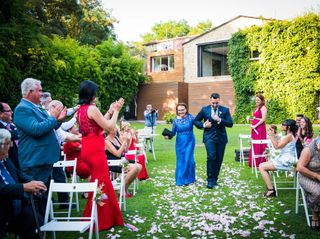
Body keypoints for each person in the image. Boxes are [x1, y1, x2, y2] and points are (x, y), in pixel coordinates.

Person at [13, 78, 66, 215]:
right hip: (34, 161)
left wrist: (57, 120)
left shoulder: (36, 108)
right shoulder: (22, 109)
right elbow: (36, 130)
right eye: (40, 90)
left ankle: (43, 225)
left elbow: (48, 127)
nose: (42, 94)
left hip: (43, 160)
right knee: (35, 197)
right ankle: (34, 227)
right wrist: (53, 117)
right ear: (30, 92)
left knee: (43, 196)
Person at [77, 80, 124, 231]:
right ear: (91, 94)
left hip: (87, 149)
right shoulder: (92, 108)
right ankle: (101, 220)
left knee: (98, 181)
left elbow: (97, 125)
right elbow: (109, 127)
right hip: (96, 150)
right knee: (102, 182)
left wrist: (110, 111)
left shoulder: (81, 109)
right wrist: (117, 110)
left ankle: (102, 215)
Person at [0, 128, 47, 239]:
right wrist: (24, 187)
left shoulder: (5, 159)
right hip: (2, 210)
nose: (11, 146)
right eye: (8, 143)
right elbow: (2, 189)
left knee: (35, 220)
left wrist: (32, 182)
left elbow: (18, 174)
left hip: (15, 208)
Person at [194, 93, 233, 188]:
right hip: (209, 137)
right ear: (210, 101)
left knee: (219, 159)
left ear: (219, 100)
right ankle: (210, 179)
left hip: (221, 138)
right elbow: (196, 121)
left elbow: (230, 123)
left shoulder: (225, 110)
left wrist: (220, 119)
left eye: (216, 103)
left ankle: (215, 178)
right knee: (211, 157)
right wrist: (203, 125)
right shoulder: (204, 109)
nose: (215, 105)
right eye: (213, 103)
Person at [259, 119, 298, 197]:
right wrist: (273, 134)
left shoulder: (289, 136)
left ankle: (271, 190)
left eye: (283, 124)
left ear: (289, 127)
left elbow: (276, 146)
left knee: (261, 166)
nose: (281, 125)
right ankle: (270, 187)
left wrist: (270, 135)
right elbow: (279, 141)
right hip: (284, 158)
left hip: (286, 161)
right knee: (263, 164)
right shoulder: (288, 136)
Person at [105, 127, 142, 197]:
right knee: (134, 168)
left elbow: (125, 150)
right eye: (115, 128)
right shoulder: (106, 141)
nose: (116, 129)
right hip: (113, 163)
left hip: (121, 161)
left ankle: (124, 187)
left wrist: (127, 141)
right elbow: (117, 154)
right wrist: (124, 141)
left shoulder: (116, 138)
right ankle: (122, 189)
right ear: (110, 130)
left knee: (139, 166)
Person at [166, 103, 196, 186]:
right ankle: (180, 180)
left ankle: (190, 179)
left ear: (186, 109)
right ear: (177, 111)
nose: (181, 111)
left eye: (182, 110)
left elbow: (198, 125)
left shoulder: (191, 117)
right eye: (179, 110)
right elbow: (173, 132)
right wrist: (168, 137)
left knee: (189, 159)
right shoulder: (175, 120)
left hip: (190, 141)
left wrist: (204, 125)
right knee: (181, 160)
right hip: (179, 142)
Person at [297, 137, 320, 231]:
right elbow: (299, 168)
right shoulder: (309, 149)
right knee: (318, 192)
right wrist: (316, 176)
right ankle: (315, 215)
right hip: (306, 175)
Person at [248, 94, 267, 168]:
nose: (256, 101)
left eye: (258, 100)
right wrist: (251, 120)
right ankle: (254, 162)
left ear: (262, 100)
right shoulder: (257, 107)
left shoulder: (263, 108)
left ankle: (260, 162)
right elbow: (257, 118)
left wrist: (255, 126)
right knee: (254, 142)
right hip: (254, 127)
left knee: (259, 142)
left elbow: (263, 119)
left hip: (260, 128)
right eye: (256, 100)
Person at [0, 102, 20, 169]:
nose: (12, 112)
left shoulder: (11, 126)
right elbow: (11, 135)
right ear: (0, 113)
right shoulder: (2, 129)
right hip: (9, 165)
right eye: (8, 111)